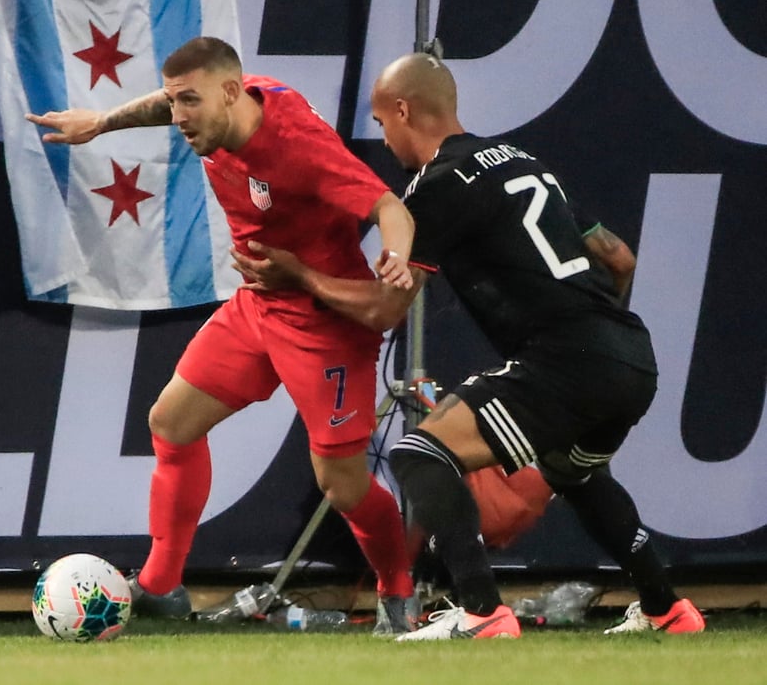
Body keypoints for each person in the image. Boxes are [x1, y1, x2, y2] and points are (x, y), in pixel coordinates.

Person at [230, 52, 706, 640]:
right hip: (631, 355)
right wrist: (600, 340)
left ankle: (481, 613)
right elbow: (618, 257)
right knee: (577, 475)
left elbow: (383, 309)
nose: (384, 138)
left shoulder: (436, 186)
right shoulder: (522, 159)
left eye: (381, 123)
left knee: (418, 455)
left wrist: (299, 275)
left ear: (403, 110)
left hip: (565, 359)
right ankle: (668, 610)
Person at [26, 37, 420, 635]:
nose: (178, 117)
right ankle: (160, 585)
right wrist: (101, 123)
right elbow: (167, 103)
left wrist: (394, 257)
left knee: (341, 485)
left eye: (190, 103)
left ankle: (399, 591)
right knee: (172, 423)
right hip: (258, 307)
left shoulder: (299, 147)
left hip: (325, 324)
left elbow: (391, 206)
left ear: (232, 93)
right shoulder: (218, 106)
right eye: (174, 101)